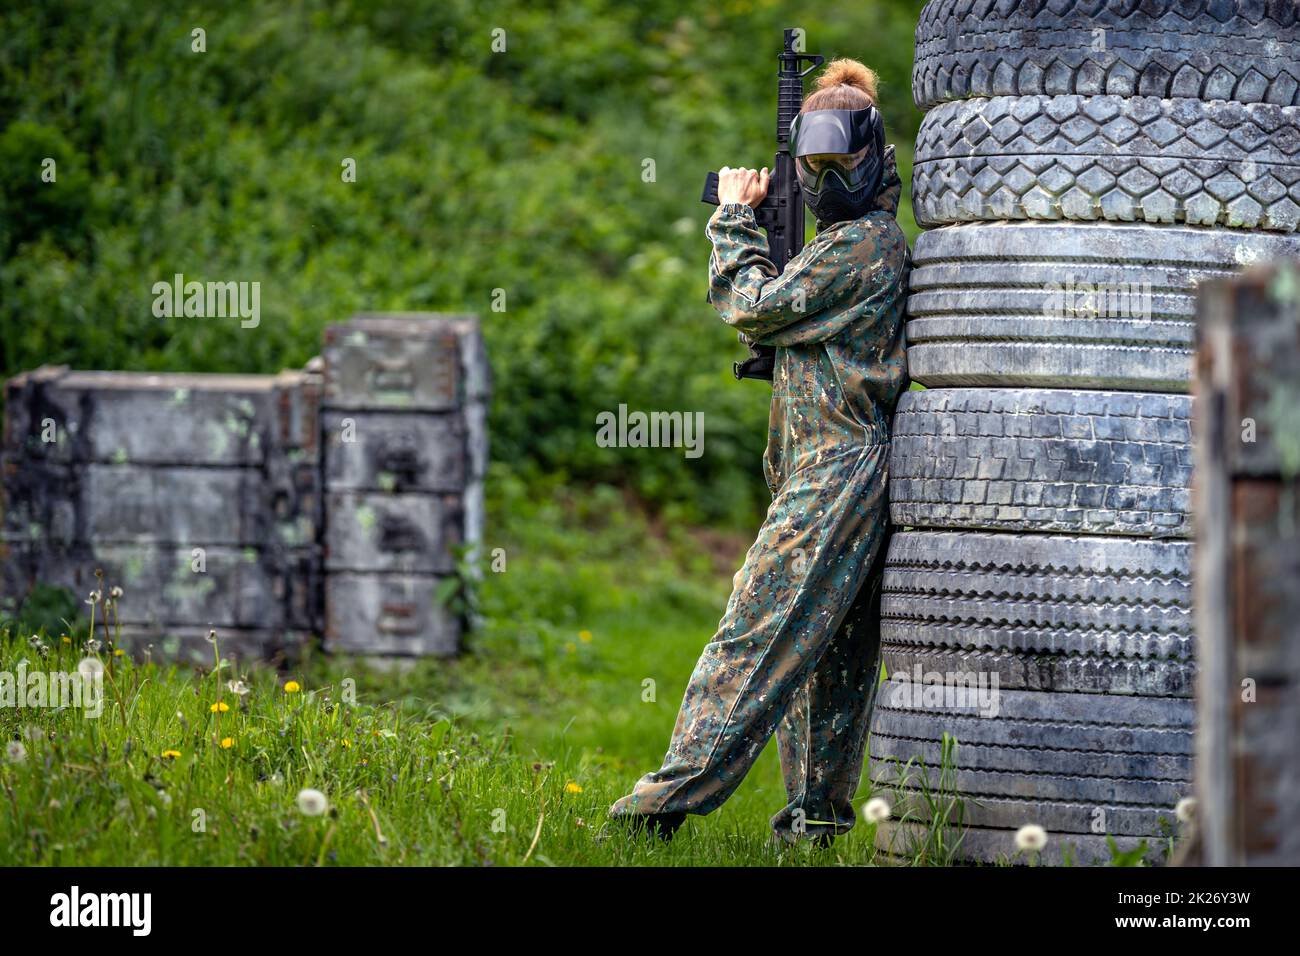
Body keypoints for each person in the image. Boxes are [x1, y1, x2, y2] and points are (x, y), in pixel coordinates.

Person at [609, 58, 911, 847]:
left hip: (836, 472)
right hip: (830, 469)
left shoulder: (863, 247)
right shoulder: (851, 245)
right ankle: (813, 825)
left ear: (874, 156)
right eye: (814, 165)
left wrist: (735, 221)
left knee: (753, 635)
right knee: (828, 664)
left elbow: (753, 306)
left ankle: (658, 807)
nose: (826, 177)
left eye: (840, 162)